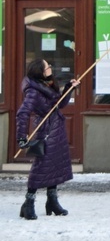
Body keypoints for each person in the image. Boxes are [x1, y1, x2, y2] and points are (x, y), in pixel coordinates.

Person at [16, 59, 80, 220]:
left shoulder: (47, 84)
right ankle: (28, 203)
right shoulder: (33, 91)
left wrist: (68, 88)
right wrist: (22, 137)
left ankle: (52, 201)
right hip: (45, 131)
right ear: (41, 71)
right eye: (48, 67)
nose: (50, 68)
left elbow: (58, 105)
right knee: (40, 167)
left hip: (57, 129)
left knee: (55, 165)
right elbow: (23, 113)